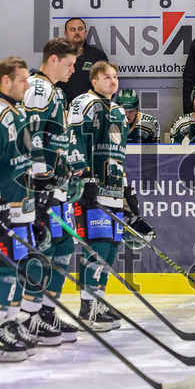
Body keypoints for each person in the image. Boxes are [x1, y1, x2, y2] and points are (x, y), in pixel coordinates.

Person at [67, 61, 151, 329]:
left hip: (113, 189)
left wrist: (127, 191)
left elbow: (118, 155)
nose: (113, 81)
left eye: (115, 77)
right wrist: (84, 176)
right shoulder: (84, 103)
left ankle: (99, 301)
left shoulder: (117, 111)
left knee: (111, 248)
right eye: (107, 77)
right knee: (97, 247)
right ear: (94, 81)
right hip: (91, 189)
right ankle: (87, 307)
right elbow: (73, 140)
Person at [21, 38, 81, 346]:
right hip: (39, 186)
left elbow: (57, 138)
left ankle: (46, 309)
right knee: (43, 248)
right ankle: (30, 314)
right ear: (53, 59)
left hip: (55, 185)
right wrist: (41, 179)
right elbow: (33, 135)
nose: (73, 70)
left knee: (63, 246)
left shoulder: (53, 91)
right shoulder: (39, 88)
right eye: (69, 64)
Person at [0, 56, 36, 362]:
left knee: (18, 267)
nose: (28, 85)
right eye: (23, 80)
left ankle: (10, 322)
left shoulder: (16, 111)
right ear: (5, 81)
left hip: (21, 203)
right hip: (2, 206)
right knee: (3, 268)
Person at [56, 17, 109, 101]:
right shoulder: (57, 56)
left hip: (92, 109)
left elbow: (108, 86)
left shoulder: (98, 56)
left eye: (80, 29)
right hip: (63, 111)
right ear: (66, 33)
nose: (77, 32)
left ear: (85, 32)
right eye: (72, 29)